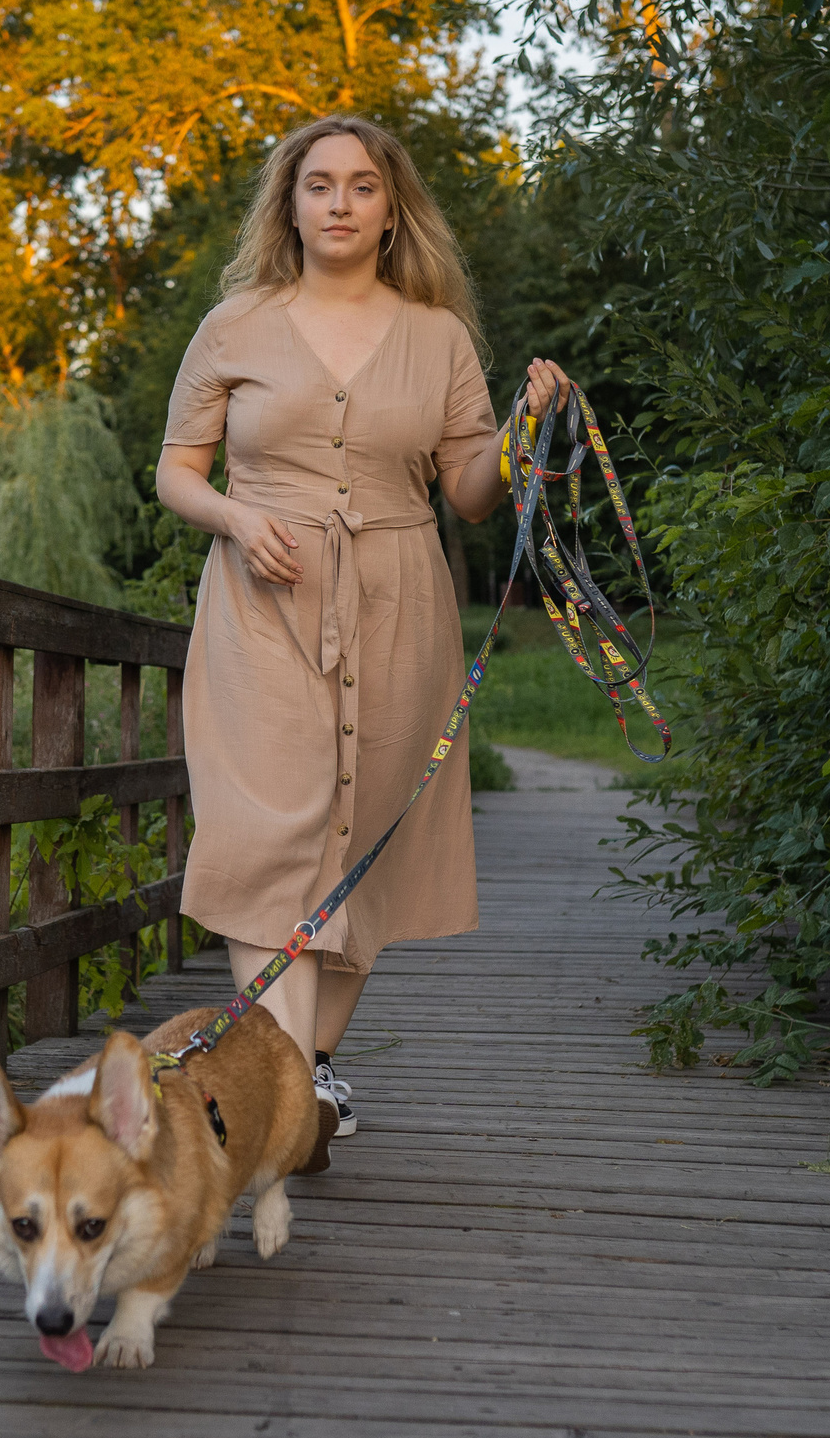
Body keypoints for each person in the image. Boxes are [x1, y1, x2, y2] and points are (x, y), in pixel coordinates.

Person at [155, 114, 566, 1146]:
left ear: (391, 212)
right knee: (263, 840)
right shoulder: (235, 325)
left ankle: (306, 1072)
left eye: (362, 187)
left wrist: (521, 431)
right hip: (261, 605)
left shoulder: (437, 337)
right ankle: (287, 1093)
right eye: (319, 184)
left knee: (363, 838)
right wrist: (240, 518)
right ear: (289, 205)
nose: (339, 202)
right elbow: (174, 471)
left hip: (398, 606)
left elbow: (468, 494)